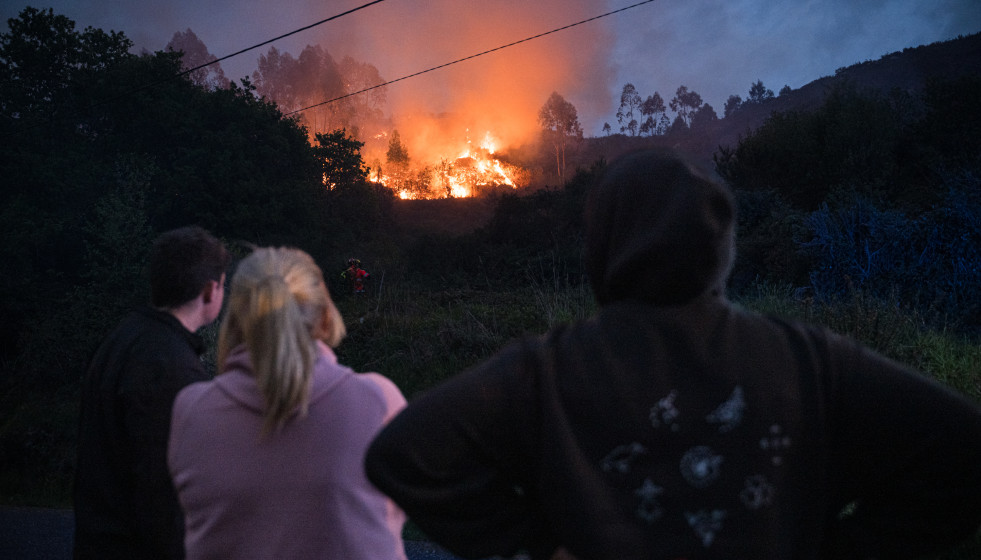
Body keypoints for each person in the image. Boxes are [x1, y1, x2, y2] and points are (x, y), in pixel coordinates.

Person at [365, 149, 981, 560]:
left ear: (604, 243)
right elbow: (963, 453)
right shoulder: (808, 360)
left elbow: (403, 453)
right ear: (721, 246)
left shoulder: (548, 368)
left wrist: (534, 545)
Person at [168, 247, 407, 560]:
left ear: (236, 319)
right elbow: (399, 507)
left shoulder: (191, 410)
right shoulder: (378, 400)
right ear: (324, 314)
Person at [74, 226, 230, 560]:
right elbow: (161, 491)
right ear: (209, 291)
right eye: (222, 284)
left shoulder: (122, 339)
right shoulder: (171, 369)